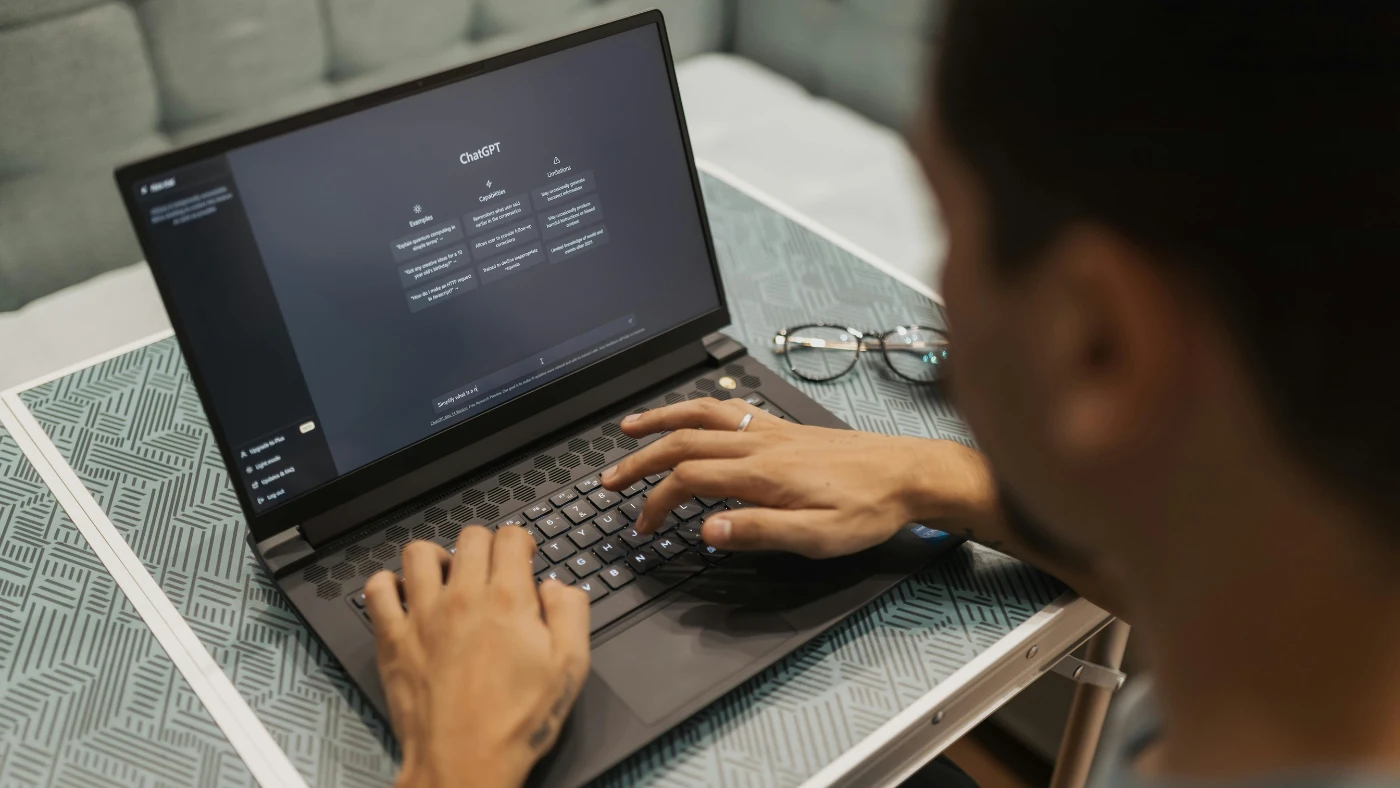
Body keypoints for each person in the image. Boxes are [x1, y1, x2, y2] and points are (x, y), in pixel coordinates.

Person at [364, 1, 1400, 785]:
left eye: (946, 221)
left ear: (1100, 344)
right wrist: (936, 475)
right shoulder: (1302, 641)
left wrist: (457, 756)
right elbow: (1213, 573)